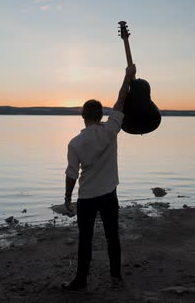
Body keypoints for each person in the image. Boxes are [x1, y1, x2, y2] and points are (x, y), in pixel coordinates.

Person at [62, 64, 136, 291]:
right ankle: (116, 276)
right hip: (108, 194)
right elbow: (121, 100)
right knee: (112, 235)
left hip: (87, 197)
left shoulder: (75, 143)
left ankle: (81, 281)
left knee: (85, 239)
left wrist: (67, 197)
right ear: (101, 115)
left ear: (83, 116)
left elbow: (72, 174)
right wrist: (127, 77)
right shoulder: (111, 129)